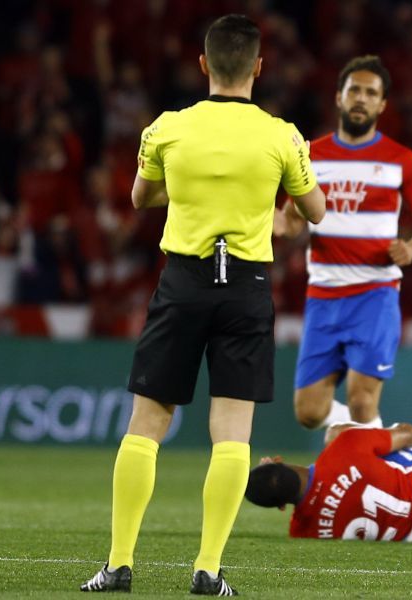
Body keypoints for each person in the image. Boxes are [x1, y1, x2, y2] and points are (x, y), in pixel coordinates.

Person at [80, 14, 325, 596]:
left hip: (183, 283)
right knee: (232, 432)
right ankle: (208, 570)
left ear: (203, 65)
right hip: (245, 288)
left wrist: (192, 188)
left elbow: (141, 198)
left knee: (146, 425)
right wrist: (275, 205)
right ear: (259, 68)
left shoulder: (166, 128)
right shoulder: (283, 136)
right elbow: (312, 211)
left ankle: (118, 565)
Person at [275, 55, 412, 431]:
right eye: (355, 90)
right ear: (339, 97)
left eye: (371, 93)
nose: (361, 99)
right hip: (323, 296)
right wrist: (243, 209)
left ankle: (374, 474)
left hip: (375, 293)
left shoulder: (401, 160)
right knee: (309, 412)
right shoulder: (311, 156)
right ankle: (387, 440)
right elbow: (288, 224)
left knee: (362, 401)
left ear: (382, 105)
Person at [244, 423, 412, 542]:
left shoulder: (302, 532)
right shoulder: (343, 445)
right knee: (343, 436)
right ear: (279, 460)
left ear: (281, 507)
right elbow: (409, 433)